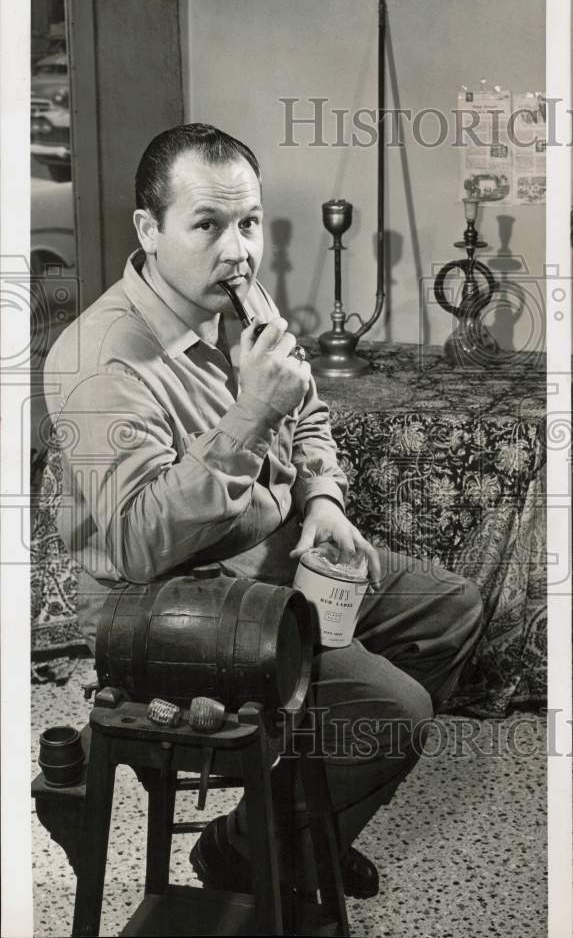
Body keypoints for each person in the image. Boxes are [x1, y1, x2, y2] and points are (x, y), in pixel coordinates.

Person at [44, 123, 483, 900]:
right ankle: (259, 850)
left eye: (247, 223)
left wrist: (322, 496)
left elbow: (306, 411)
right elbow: (140, 545)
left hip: (265, 557)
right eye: (207, 225)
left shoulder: (236, 295)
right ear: (150, 230)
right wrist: (248, 415)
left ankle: (280, 832)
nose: (237, 250)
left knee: (446, 610)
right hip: (162, 604)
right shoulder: (99, 359)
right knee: (392, 712)